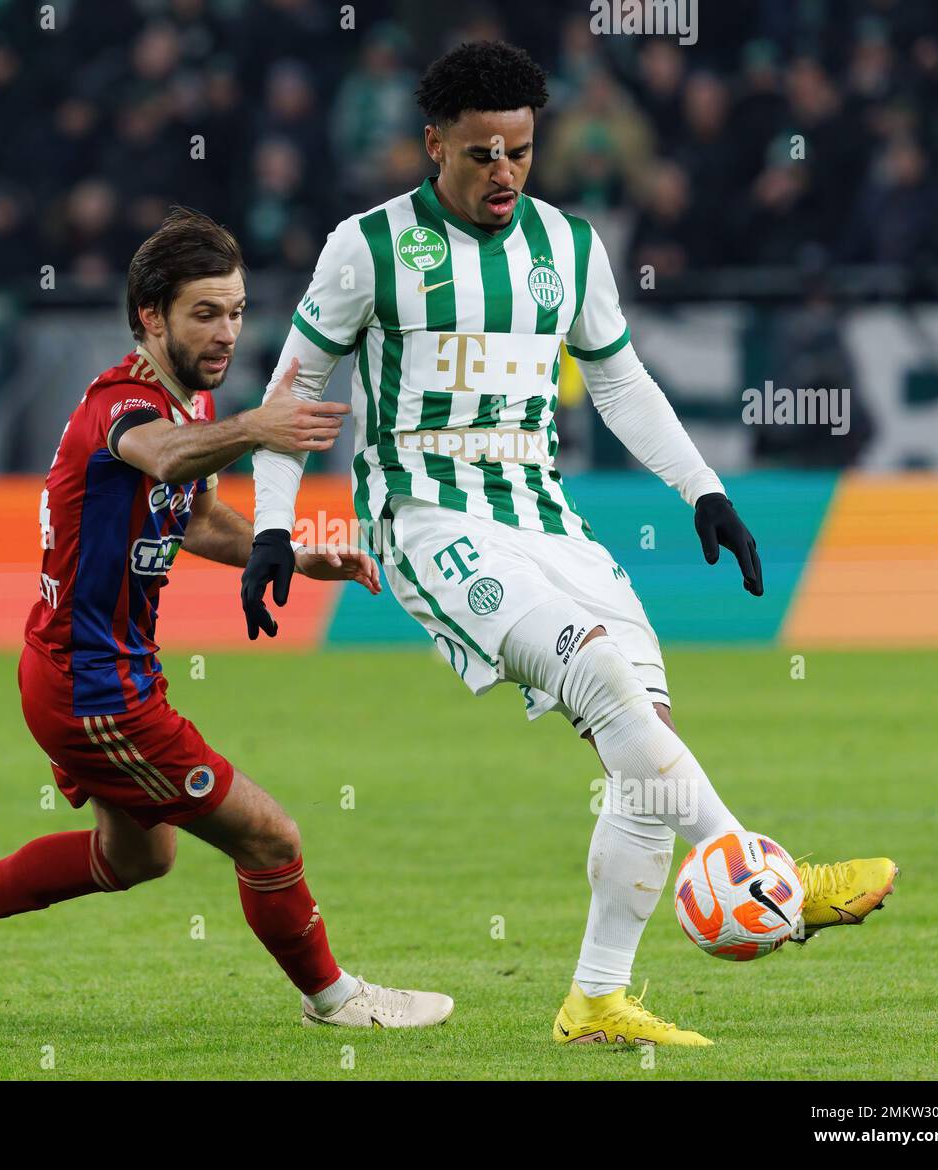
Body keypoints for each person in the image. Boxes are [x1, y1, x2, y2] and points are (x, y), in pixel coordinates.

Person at [241, 41, 896, 1046]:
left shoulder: (569, 248)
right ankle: (760, 868)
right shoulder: (364, 249)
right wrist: (275, 526)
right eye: (481, 154)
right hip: (424, 516)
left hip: (543, 514)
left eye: (520, 151)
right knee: (600, 678)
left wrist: (703, 489)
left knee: (647, 736)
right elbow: (295, 392)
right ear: (432, 147)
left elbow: (621, 380)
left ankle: (595, 999)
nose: (503, 172)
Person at [0, 207, 453, 1030]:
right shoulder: (124, 406)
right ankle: (336, 1000)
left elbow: (199, 516)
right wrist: (257, 427)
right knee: (271, 838)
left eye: (237, 311)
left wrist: (293, 550)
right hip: (93, 688)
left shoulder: (191, 399)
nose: (226, 331)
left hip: (97, 668)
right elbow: (164, 455)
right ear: (151, 317)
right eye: (204, 313)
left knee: (136, 856)